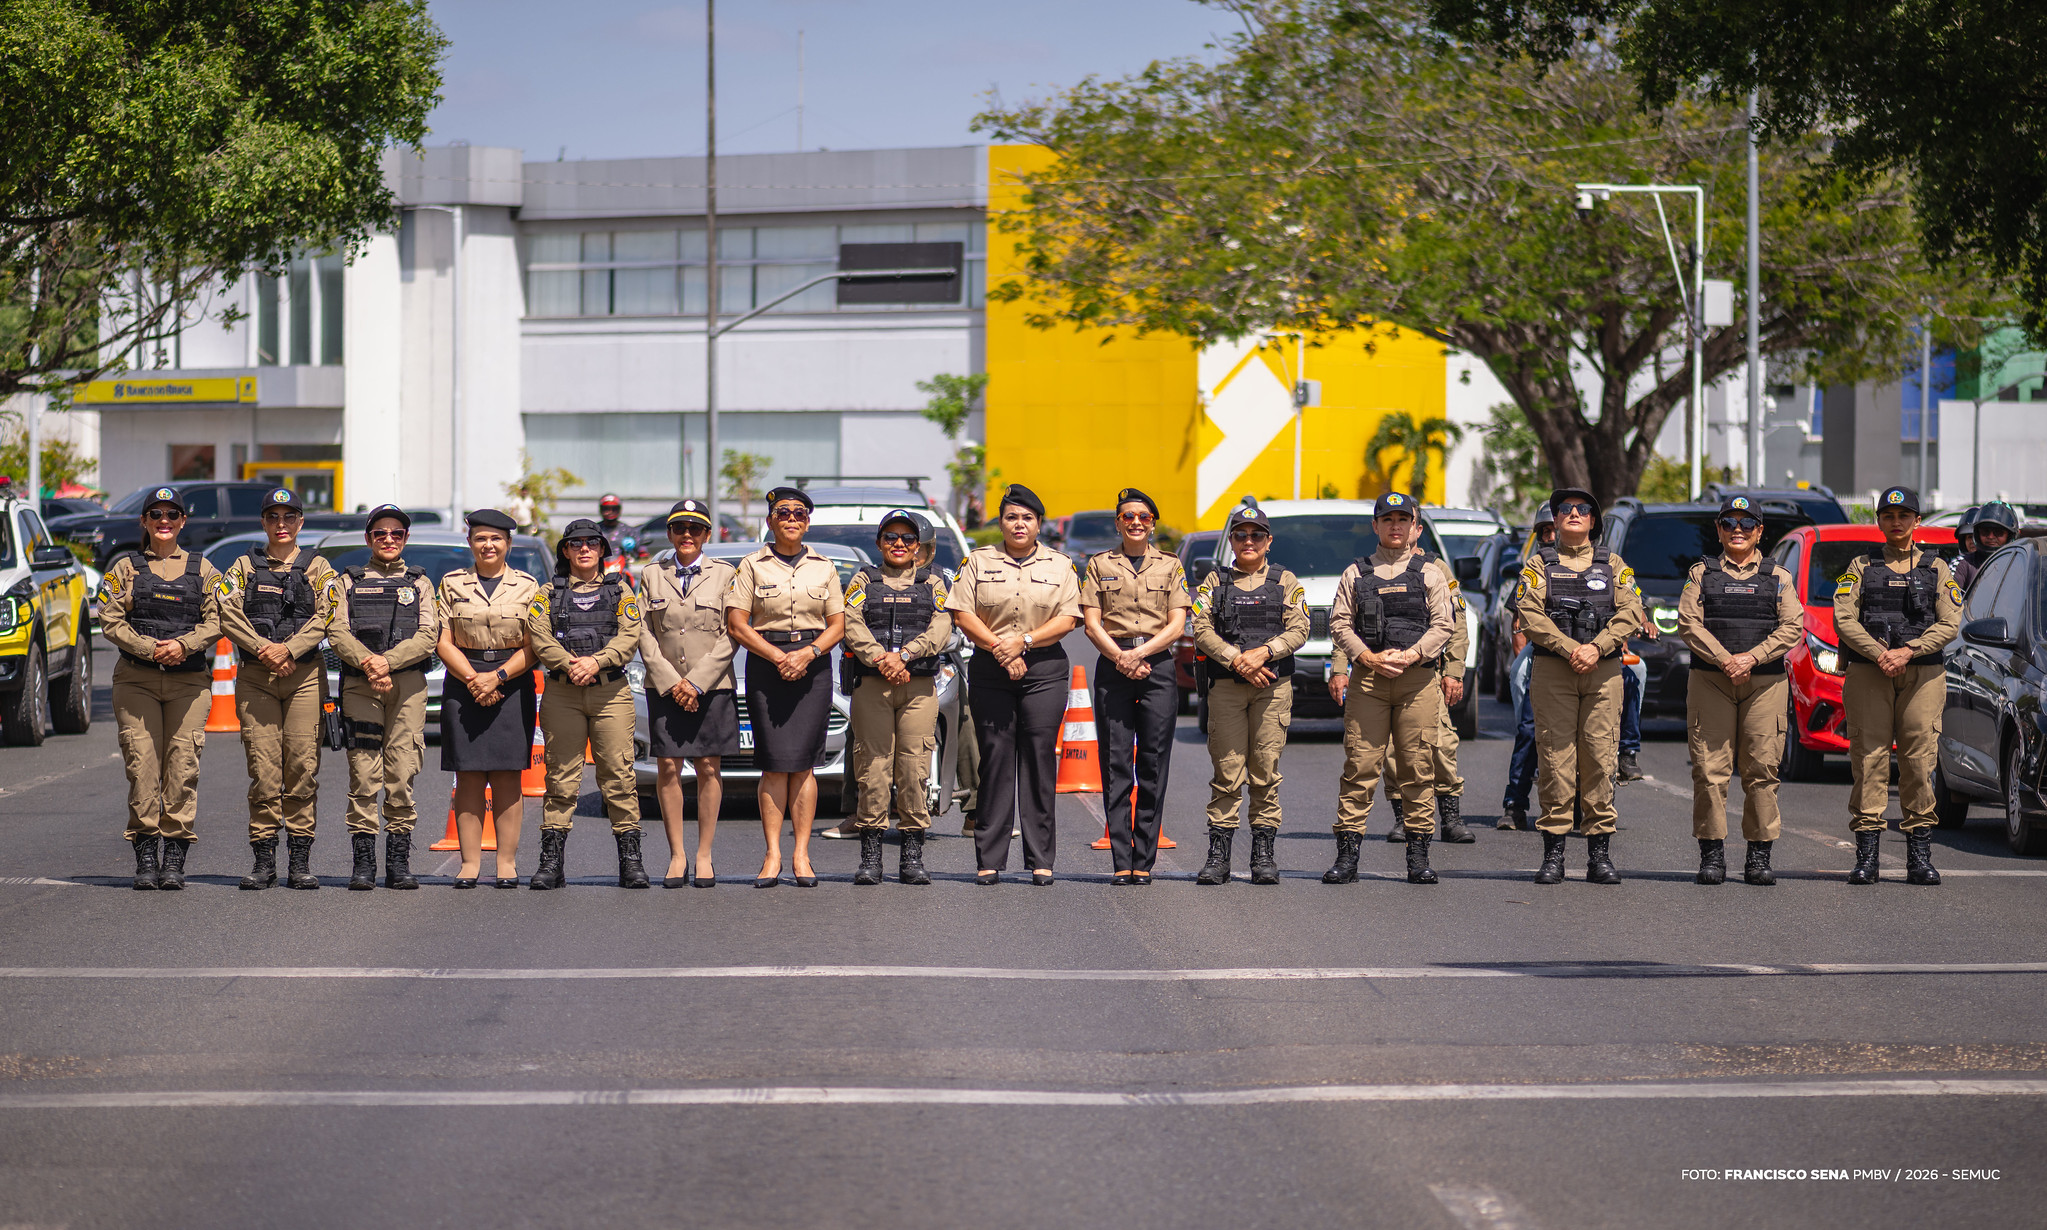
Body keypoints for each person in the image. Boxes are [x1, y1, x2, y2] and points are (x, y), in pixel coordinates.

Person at [946, 484, 1081, 885]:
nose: (1018, 525)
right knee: (996, 758)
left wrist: (1022, 642)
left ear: (1039, 524)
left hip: (1044, 670)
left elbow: (1068, 618)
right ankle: (990, 857)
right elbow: (961, 613)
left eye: (1027, 518)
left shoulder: (1060, 565)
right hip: (991, 668)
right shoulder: (976, 562)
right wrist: (1000, 648)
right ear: (1000, 523)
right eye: (1011, 517)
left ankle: (1041, 859)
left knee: (1040, 761)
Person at [1324, 492, 1458, 884]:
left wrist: (1411, 655)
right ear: (1375, 526)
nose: (1395, 526)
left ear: (1414, 526)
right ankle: (1347, 858)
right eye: (1387, 519)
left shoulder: (1430, 572)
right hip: (1370, 680)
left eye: (1403, 519)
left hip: (1417, 682)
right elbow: (1339, 624)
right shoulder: (1356, 573)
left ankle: (1418, 858)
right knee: (1360, 767)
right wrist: (1366, 658)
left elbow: (1444, 624)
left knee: (1417, 767)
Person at [1833, 485, 1964, 886]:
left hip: (1921, 673)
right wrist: (1879, 653)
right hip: (1869, 672)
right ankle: (1867, 858)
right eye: (1888, 516)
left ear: (1917, 520)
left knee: (1918, 762)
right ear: (1878, 521)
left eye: (1903, 515)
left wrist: (1907, 651)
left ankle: (1919, 857)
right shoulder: (1858, 566)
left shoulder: (1938, 568)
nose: (1896, 522)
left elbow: (1950, 622)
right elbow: (1843, 617)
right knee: (1869, 760)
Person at [1515, 486, 1644, 886]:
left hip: (1602, 672)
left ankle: (1599, 855)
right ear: (1554, 520)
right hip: (1555, 669)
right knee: (1555, 759)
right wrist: (1572, 647)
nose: (1573, 513)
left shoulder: (1613, 565)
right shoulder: (1537, 566)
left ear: (1593, 520)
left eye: (1582, 508)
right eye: (1565, 509)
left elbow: (1631, 610)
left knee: (1600, 758)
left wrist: (1597, 647)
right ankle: (1553, 854)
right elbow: (1530, 615)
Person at [1676, 495, 1806, 885]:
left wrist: (1750, 657)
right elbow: (1688, 623)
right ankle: (1712, 856)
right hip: (1711, 681)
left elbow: (1792, 627)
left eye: (1746, 524)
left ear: (1760, 531)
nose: (1738, 530)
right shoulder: (1701, 573)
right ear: (1718, 529)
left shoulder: (1778, 577)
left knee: (1762, 770)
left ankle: (1758, 857)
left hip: (1764, 685)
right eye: (1729, 523)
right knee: (1709, 771)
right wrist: (1726, 659)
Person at [215, 488, 340, 891]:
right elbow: (226, 611)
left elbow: (329, 616)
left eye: (289, 518)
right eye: (273, 517)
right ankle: (264, 862)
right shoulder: (243, 566)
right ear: (264, 522)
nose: (281, 525)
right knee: (264, 770)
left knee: (302, 766)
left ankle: (300, 862)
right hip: (256, 677)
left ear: (300, 522)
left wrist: (288, 649)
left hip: (304, 676)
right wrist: (263, 650)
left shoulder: (319, 566)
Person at [100, 488, 223, 890]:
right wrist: (150, 648)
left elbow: (219, 619)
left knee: (182, 766)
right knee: (142, 767)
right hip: (137, 680)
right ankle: (146, 855)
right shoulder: (125, 569)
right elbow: (111, 620)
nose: (164, 520)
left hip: (188, 682)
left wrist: (183, 645)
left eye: (172, 514)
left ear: (183, 521)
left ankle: (174, 855)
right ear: (145, 521)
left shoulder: (204, 570)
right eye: (156, 514)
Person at [725, 485, 846, 888]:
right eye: (783, 513)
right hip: (767, 664)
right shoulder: (751, 566)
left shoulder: (824, 566)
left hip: (812, 667)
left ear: (807, 521)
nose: (791, 519)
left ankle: (801, 854)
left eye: (799, 513)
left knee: (804, 765)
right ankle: (773, 853)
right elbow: (738, 623)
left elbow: (838, 625)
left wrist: (806, 655)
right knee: (775, 763)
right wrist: (779, 657)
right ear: (770, 520)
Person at [525, 517, 648, 890]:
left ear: (602, 550)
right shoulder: (548, 592)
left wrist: (597, 661)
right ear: (565, 550)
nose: (584, 549)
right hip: (563, 692)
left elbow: (631, 636)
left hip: (610, 692)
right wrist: (569, 664)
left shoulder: (620, 591)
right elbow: (538, 636)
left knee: (619, 777)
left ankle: (630, 861)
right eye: (576, 543)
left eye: (591, 543)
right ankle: (551, 862)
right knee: (560, 778)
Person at [1190, 506, 1310, 885]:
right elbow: (1200, 627)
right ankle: (1219, 856)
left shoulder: (1285, 580)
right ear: (1231, 540)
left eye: (1256, 535)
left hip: (1272, 689)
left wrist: (1264, 653)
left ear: (1268, 541)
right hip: (1226, 687)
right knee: (1226, 771)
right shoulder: (1215, 580)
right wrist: (1236, 658)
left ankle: (1263, 855)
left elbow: (1300, 628)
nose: (1248, 541)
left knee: (1265, 771)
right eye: (1241, 535)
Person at [1080, 487, 1191, 885]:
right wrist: (1122, 658)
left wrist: (1141, 654)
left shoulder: (1171, 565)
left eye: (1143, 516)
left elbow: (1177, 623)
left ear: (1153, 523)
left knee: (1153, 763)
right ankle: (1121, 860)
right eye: (1128, 516)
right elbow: (1092, 622)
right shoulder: (1099, 564)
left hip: (1157, 664)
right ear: (1118, 523)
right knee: (1115, 764)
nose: (1136, 523)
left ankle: (1144, 860)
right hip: (1114, 664)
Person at [329, 504, 441, 890]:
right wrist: (369, 663)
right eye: (381, 534)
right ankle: (363, 863)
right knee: (363, 771)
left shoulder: (421, 583)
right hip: (361, 684)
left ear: (406, 538)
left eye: (397, 533)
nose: (389, 539)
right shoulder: (348, 582)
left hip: (407, 686)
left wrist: (386, 663)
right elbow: (337, 631)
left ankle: (398, 862)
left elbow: (429, 636)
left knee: (401, 771)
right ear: (369, 539)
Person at [843, 508, 955, 884]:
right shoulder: (863, 579)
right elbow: (851, 623)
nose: (899, 544)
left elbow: (942, 626)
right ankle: (871, 856)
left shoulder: (934, 583)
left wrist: (905, 655)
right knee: (873, 768)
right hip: (873, 684)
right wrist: (881, 658)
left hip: (918, 686)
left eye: (907, 539)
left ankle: (911, 856)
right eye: (891, 537)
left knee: (914, 769)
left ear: (918, 545)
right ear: (879, 543)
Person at [436, 509, 541, 888]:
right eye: (480, 538)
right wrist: (472, 679)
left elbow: (535, 646)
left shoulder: (528, 586)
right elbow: (442, 640)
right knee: (468, 773)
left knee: (507, 773)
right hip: (463, 681)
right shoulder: (451, 583)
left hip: (511, 681)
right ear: (470, 543)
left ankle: (507, 862)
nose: (488, 545)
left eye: (496, 538)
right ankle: (469, 862)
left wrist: (495, 677)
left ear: (508, 543)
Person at [638, 498, 739, 887]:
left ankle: (704, 855)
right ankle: (677, 855)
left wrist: (697, 682)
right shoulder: (651, 575)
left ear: (707, 535)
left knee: (709, 767)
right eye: (679, 528)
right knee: (668, 767)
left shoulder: (726, 574)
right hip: (665, 686)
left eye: (695, 529)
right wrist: (669, 680)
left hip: (710, 686)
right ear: (669, 533)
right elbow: (642, 632)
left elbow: (734, 632)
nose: (686, 535)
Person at [1498, 507, 1555, 831]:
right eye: (1543, 532)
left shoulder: (1599, 564)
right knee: (1528, 728)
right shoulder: (1533, 570)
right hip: (1543, 655)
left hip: (1590, 657)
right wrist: (1526, 656)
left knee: (1636, 674)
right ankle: (1514, 803)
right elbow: (1518, 624)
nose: (1549, 537)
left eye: (1553, 529)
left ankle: (1629, 751)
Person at [1954, 500, 2017, 592]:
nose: (1991, 537)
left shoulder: (2020, 563)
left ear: (2010, 534)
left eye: (1998, 532)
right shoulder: (1966, 564)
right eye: (1985, 532)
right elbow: (1950, 600)